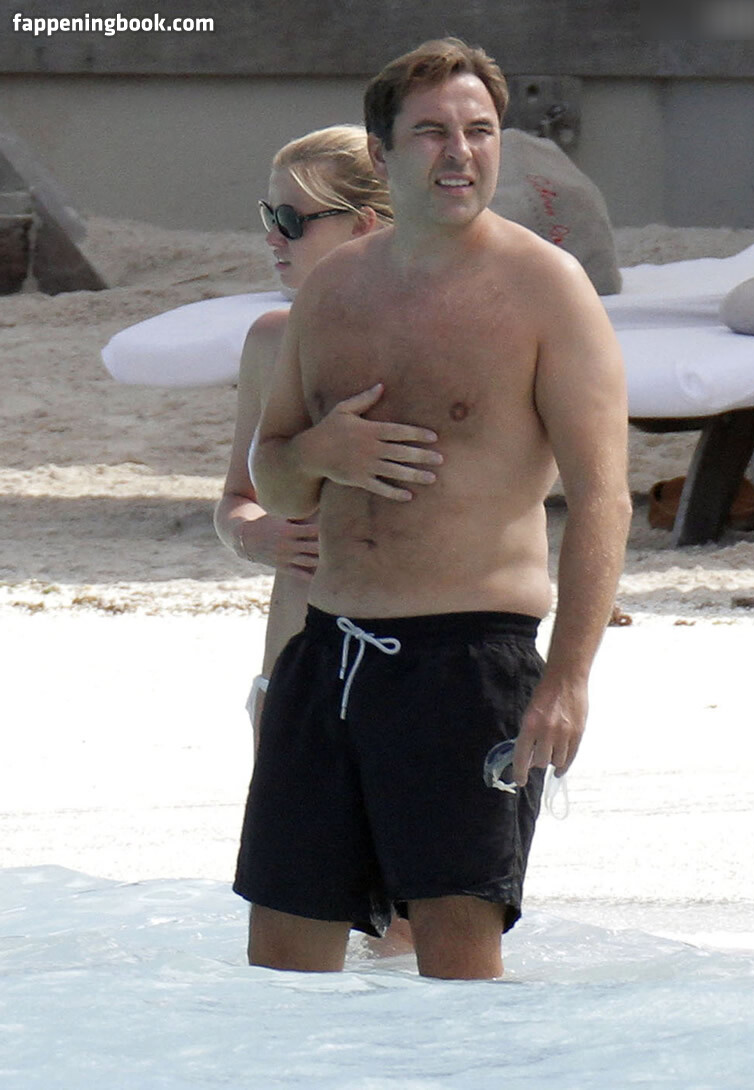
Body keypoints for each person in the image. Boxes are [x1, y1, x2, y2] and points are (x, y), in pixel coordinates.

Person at [235, 38, 631, 980]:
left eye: (480, 131)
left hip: (468, 665)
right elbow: (273, 479)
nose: (460, 153)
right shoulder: (334, 289)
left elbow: (603, 498)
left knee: (456, 968)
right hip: (327, 655)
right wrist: (320, 452)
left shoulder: (545, 289)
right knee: (280, 966)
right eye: (432, 133)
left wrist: (568, 679)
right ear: (382, 153)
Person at [213, 125, 412, 953]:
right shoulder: (270, 340)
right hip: (293, 666)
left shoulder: (435, 339)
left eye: (292, 220)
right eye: (269, 216)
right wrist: (256, 535)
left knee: (405, 939)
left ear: (365, 225)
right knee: (298, 937)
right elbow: (234, 501)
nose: (273, 237)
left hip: (411, 667)